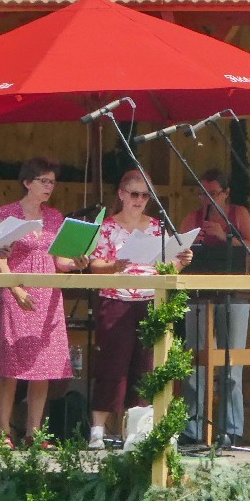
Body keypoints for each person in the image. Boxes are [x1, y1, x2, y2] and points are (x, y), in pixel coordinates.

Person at [86, 169, 192, 449]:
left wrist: (181, 262)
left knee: (146, 367)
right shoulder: (107, 227)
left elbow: (166, 266)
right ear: (121, 194)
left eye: (145, 196)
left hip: (150, 300)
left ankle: (136, 432)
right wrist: (114, 265)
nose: (140, 200)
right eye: (134, 194)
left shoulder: (157, 227)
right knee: (112, 364)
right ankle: (97, 431)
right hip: (116, 299)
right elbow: (94, 265)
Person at [0, 157, 81, 444]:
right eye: (44, 181)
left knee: (43, 368)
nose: (49, 187)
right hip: (17, 291)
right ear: (27, 182)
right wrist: (15, 290)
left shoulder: (54, 217)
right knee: (11, 368)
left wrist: (76, 262)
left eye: (52, 182)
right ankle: (3, 432)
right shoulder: (9, 213)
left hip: (48, 295)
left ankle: (34, 432)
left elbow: (60, 260)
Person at [182, 168, 250, 444]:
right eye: (202, 193)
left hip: (234, 293)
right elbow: (176, 251)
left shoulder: (238, 214)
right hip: (198, 294)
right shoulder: (192, 218)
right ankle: (193, 428)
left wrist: (224, 236)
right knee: (195, 360)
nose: (206, 199)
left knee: (232, 361)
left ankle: (232, 429)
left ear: (226, 193)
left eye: (213, 193)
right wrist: (191, 245)